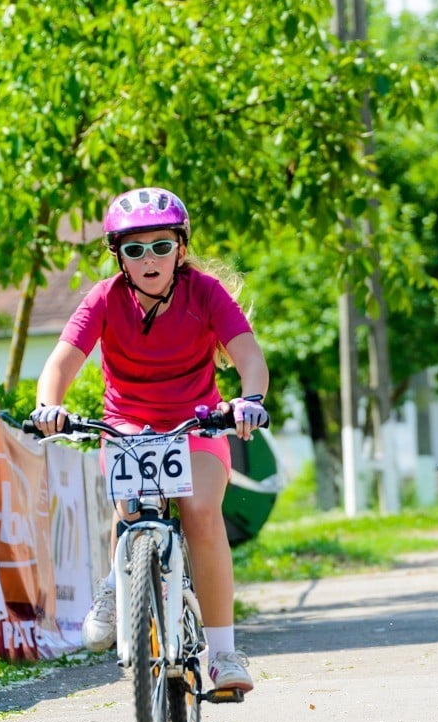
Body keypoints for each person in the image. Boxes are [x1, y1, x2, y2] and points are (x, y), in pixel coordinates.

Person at [31, 186, 268, 693]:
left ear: (180, 249)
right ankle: (120, 582)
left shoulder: (205, 293)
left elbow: (249, 356)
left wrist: (250, 399)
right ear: (119, 257)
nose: (149, 258)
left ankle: (223, 654)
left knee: (201, 511)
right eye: (134, 249)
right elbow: (61, 362)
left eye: (161, 246)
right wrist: (49, 406)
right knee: (132, 511)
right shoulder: (104, 298)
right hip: (127, 428)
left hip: (196, 426)